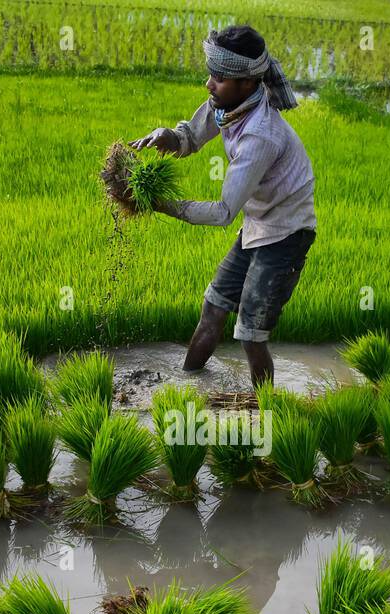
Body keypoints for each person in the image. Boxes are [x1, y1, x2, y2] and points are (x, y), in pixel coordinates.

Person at [129, 24, 316, 388]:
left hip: (286, 236)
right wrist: (169, 136)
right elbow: (191, 136)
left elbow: (222, 213)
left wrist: (161, 205)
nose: (208, 85)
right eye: (210, 75)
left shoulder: (260, 134)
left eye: (218, 78)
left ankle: (265, 412)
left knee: (250, 333)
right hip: (258, 225)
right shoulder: (228, 104)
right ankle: (186, 384)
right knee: (213, 308)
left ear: (247, 82)